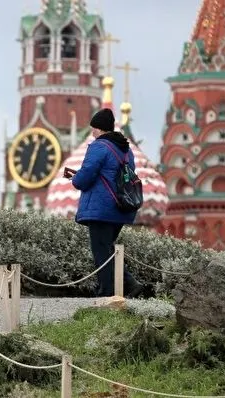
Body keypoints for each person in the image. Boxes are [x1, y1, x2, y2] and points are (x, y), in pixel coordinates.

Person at [65, 108, 143, 298]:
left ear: (99, 129)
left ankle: (109, 290)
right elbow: (111, 174)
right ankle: (124, 285)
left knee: (101, 250)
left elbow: (86, 175)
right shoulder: (126, 150)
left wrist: (75, 180)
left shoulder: (99, 147)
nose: (92, 133)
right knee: (107, 247)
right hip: (122, 206)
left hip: (102, 208)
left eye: (94, 129)